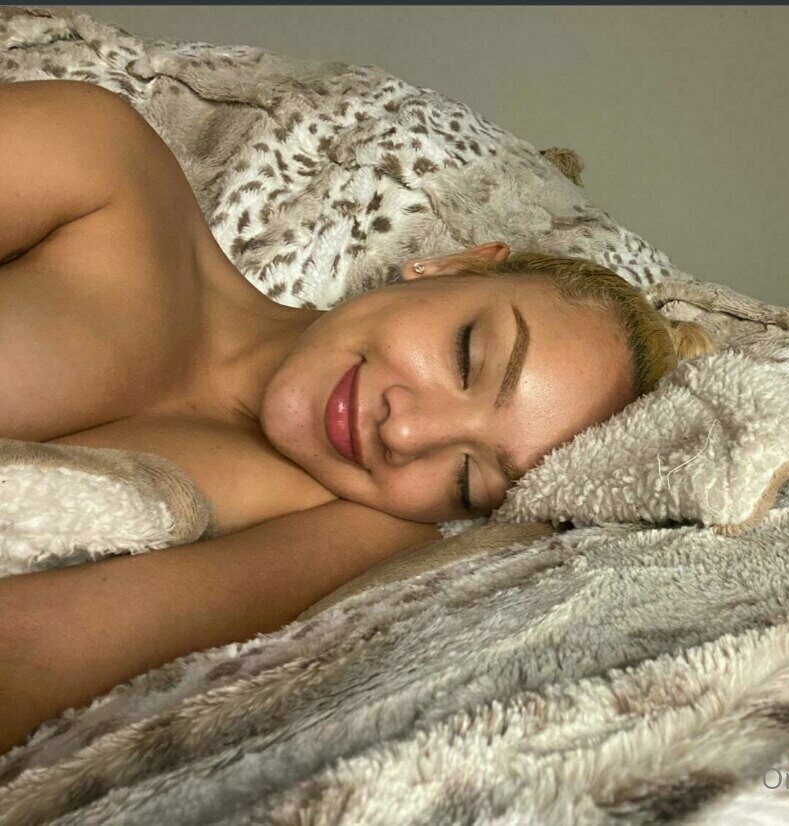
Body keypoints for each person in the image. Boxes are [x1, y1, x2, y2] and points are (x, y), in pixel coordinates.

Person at [0, 80, 711, 753]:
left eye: (468, 479)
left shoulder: (352, 534)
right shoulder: (104, 169)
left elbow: (25, 661)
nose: (406, 433)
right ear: (453, 265)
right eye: (466, 357)